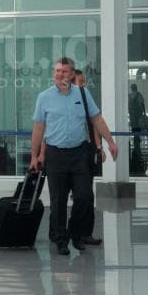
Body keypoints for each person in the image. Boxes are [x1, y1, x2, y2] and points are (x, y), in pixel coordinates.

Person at [30, 57, 118, 256]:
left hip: (79, 153)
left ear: (71, 75)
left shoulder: (83, 94)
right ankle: (61, 239)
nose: (59, 74)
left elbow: (96, 119)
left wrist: (110, 142)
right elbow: (38, 128)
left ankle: (76, 234)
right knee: (58, 200)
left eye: (63, 71)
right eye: (56, 71)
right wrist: (34, 156)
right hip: (55, 154)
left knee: (84, 197)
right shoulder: (44, 97)